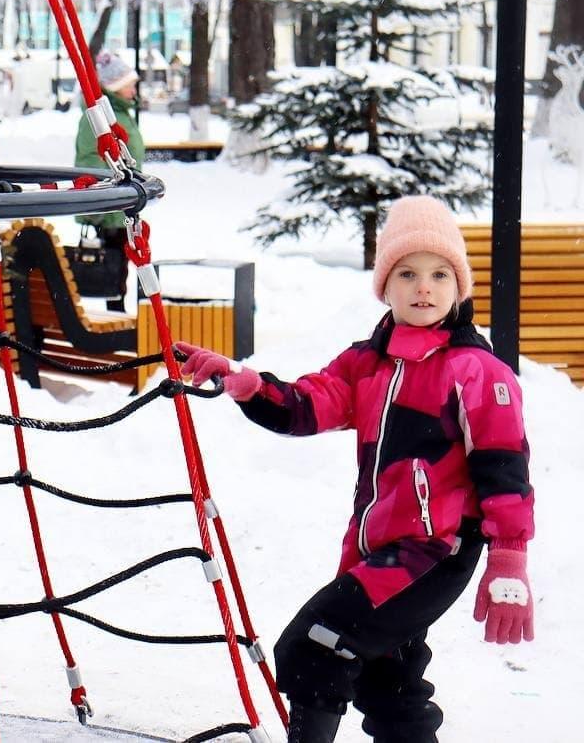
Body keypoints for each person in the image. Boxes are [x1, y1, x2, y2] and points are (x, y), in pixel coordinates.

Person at [177, 196, 534, 743]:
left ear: (459, 288)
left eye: (440, 274)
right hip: (379, 549)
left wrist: (508, 557)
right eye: (407, 273)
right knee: (385, 682)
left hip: (435, 551)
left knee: (316, 643)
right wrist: (247, 383)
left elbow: (504, 467)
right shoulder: (365, 362)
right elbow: (305, 407)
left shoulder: (477, 372)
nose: (424, 288)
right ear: (385, 287)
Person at [74, 50, 144, 312]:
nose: (135, 88)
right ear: (116, 86)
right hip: (110, 202)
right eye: (130, 83)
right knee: (112, 261)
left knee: (121, 259)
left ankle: (116, 306)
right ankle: (113, 311)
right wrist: (98, 203)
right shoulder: (99, 119)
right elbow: (89, 159)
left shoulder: (120, 114)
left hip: (123, 200)